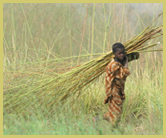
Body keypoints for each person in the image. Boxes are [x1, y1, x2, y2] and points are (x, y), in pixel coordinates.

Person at [103, 42, 139, 126]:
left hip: (119, 91)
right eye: (119, 53)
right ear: (114, 54)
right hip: (113, 92)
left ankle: (98, 118)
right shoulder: (113, 65)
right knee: (116, 116)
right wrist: (126, 62)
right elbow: (124, 74)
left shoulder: (120, 60)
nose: (122, 55)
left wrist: (135, 52)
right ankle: (114, 131)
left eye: (123, 53)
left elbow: (136, 56)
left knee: (117, 112)